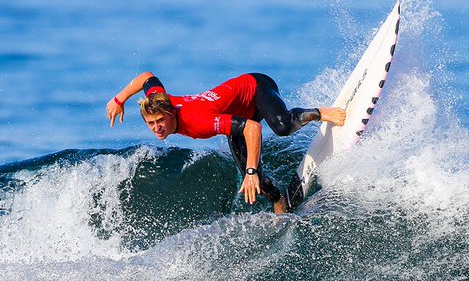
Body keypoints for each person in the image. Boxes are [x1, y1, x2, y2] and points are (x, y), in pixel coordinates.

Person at [106, 72, 345, 213]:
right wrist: (119, 99)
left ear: (171, 114)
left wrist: (252, 170)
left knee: (282, 127)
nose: (157, 127)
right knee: (256, 184)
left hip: (256, 87)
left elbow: (253, 127)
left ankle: (320, 112)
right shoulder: (159, 100)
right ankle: (280, 205)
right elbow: (148, 78)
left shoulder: (198, 121)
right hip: (237, 116)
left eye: (160, 121)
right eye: (151, 123)